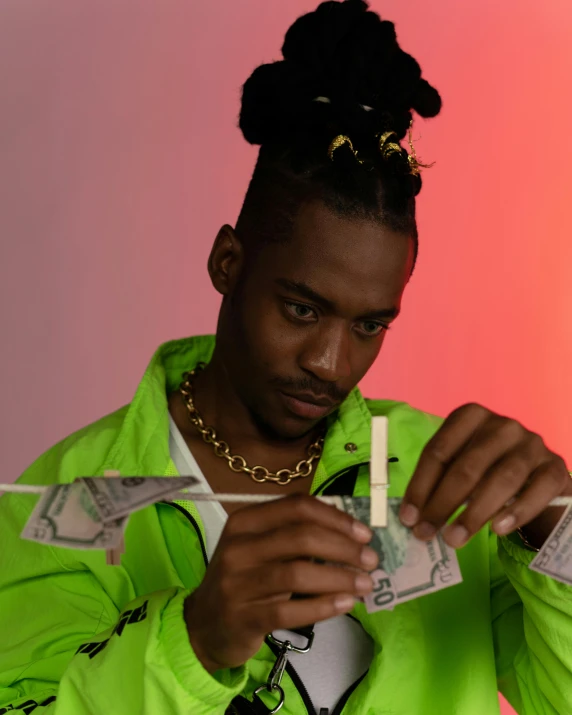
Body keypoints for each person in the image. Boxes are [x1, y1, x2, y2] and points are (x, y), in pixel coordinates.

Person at [1, 1, 571, 713]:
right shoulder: (69, 499)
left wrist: (558, 537)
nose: (331, 363)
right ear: (227, 262)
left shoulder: (446, 479)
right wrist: (196, 640)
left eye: (370, 325)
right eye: (302, 309)